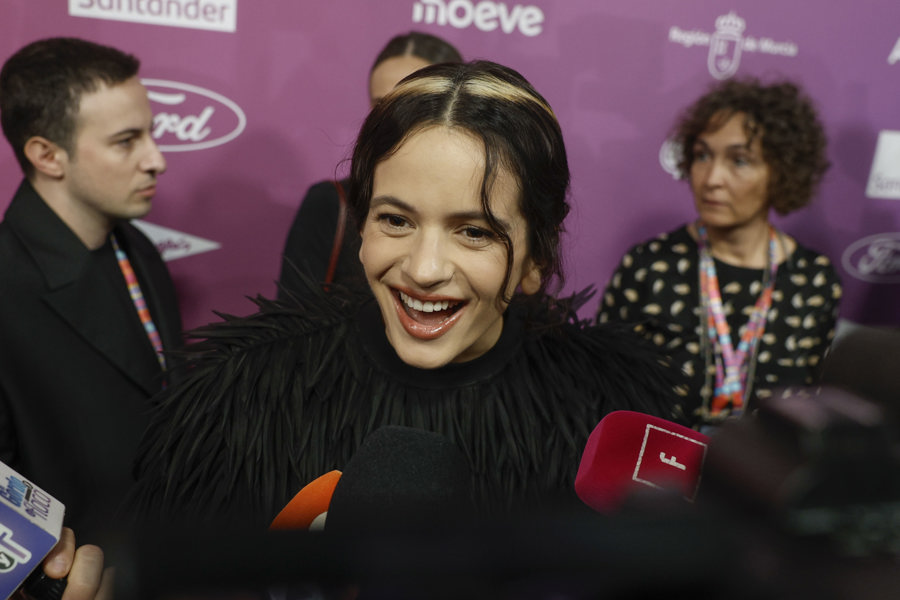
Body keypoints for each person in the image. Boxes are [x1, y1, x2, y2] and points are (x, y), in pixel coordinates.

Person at [129, 60, 679, 528]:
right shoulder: (237, 401)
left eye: (474, 232)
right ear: (361, 225)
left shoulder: (614, 418)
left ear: (536, 256)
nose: (423, 269)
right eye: (396, 220)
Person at [0, 37, 182, 543]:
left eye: (150, 134)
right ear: (47, 155)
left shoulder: (138, 248)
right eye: (126, 141)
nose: (156, 160)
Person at [597, 77, 841, 431]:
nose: (712, 178)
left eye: (739, 161)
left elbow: (811, 408)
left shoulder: (813, 280)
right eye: (702, 155)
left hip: (760, 464)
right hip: (658, 463)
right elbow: (601, 390)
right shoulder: (650, 264)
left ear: (782, 171)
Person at [277, 31, 463, 299]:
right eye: (381, 105)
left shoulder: (489, 206)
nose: (394, 118)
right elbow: (290, 318)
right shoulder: (330, 204)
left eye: (413, 103)